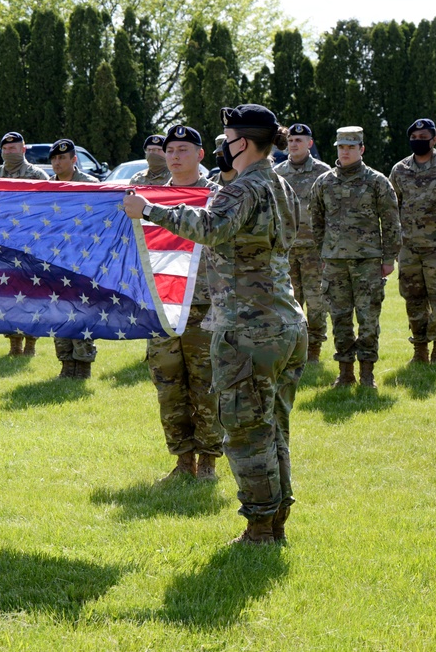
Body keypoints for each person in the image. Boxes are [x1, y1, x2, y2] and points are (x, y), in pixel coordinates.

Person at [124, 105, 307, 545]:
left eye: (227, 137)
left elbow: (210, 227)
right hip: (286, 322)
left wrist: (147, 209)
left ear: (242, 142)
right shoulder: (279, 183)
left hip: (248, 327)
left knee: (246, 432)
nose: (223, 145)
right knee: (272, 427)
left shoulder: (244, 187)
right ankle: (274, 520)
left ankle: (261, 529)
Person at [146, 125, 223, 481]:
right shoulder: (150, 199)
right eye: (170, 150)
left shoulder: (219, 197)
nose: (175, 157)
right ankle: (182, 460)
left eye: (183, 150)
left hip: (206, 306)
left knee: (206, 384)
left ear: (200, 155)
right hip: (163, 306)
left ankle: (208, 459)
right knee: (168, 384)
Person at [309, 126, 401, 388]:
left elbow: (391, 221)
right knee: (339, 318)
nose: (345, 151)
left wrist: (388, 257)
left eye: (351, 147)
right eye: (341, 147)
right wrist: (323, 252)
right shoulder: (324, 182)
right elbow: (316, 221)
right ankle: (345, 372)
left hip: (368, 262)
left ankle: (367, 373)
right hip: (334, 263)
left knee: (368, 318)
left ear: (361, 149)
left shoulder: (376, 181)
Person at [388, 119, 436, 364]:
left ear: (434, 140)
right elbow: (393, 208)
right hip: (409, 249)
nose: (418, 140)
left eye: (424, 137)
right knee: (413, 300)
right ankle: (419, 350)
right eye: (415, 136)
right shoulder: (399, 170)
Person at [0, 131, 48, 357]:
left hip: (32, 244)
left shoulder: (37, 175)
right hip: (3, 245)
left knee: (31, 293)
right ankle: (14, 343)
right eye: (6, 148)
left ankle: (31, 343)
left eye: (14, 148)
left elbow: (47, 209)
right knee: (8, 293)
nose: (9, 152)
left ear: (23, 150)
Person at [275, 124, 332, 363]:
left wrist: (327, 250)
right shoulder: (277, 173)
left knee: (317, 303)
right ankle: (292, 350)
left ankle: (314, 350)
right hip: (286, 251)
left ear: (310, 143)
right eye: (290, 140)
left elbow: (331, 212)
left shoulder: (324, 173)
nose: (293, 144)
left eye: (299, 140)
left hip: (314, 251)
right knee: (289, 302)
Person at [48, 138, 100, 378]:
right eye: (54, 159)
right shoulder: (46, 188)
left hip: (83, 260)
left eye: (62, 158)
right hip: (56, 259)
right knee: (59, 311)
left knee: (82, 311)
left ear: (73, 160)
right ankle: (66, 363)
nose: (57, 163)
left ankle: (84, 364)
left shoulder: (91, 185)